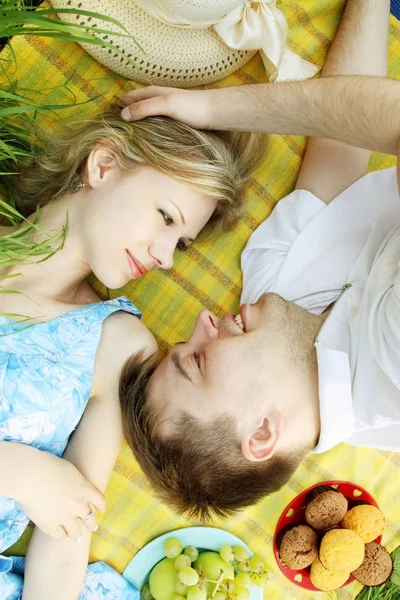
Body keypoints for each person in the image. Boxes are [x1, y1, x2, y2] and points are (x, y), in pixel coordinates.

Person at [119, 0, 400, 518]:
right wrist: (214, 110)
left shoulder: (271, 315)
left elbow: (339, 141)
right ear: (264, 432)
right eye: (197, 360)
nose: (203, 320)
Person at [0, 105, 259, 598]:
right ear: (103, 165)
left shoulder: (116, 344)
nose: (164, 257)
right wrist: (16, 469)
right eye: (165, 217)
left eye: (179, 243)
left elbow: (69, 530)